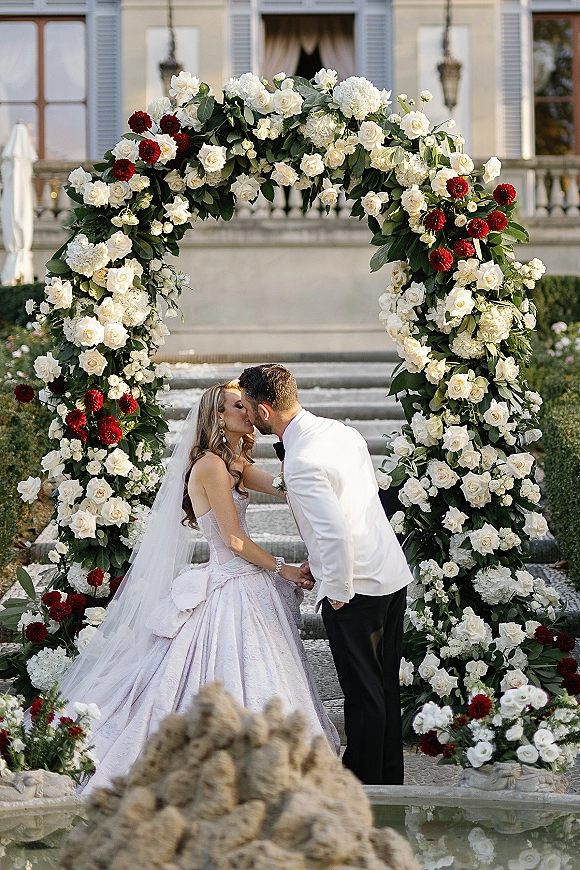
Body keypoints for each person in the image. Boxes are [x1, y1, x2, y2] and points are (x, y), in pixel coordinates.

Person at [57, 380, 339, 794]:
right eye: (238, 406)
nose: (249, 412)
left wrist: (323, 475)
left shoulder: (234, 461)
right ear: (218, 417)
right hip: (229, 578)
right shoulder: (209, 466)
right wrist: (285, 568)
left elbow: (285, 486)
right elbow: (234, 541)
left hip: (246, 580)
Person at [238, 364, 413, 785]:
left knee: (362, 696)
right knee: (384, 688)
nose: (244, 415)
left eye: (246, 407)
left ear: (264, 411)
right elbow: (359, 501)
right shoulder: (341, 432)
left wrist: (336, 589)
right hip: (388, 573)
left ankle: (365, 786)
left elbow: (333, 531)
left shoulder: (301, 459)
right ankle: (388, 781)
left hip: (356, 586)